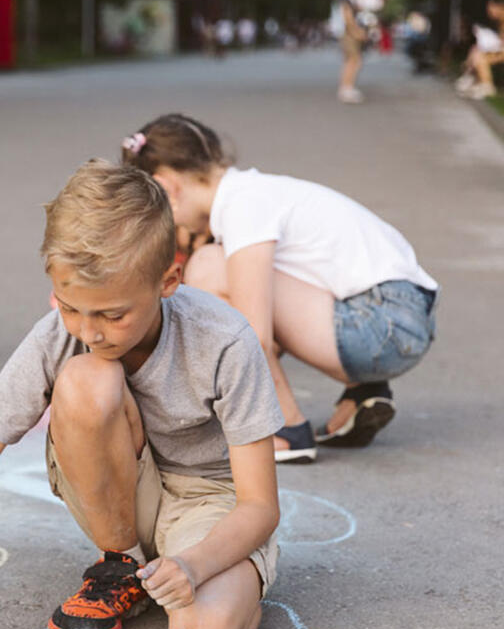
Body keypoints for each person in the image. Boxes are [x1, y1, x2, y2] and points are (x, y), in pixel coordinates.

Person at [0, 160, 283, 629]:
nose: (89, 331)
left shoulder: (223, 339)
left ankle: (239, 584)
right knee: (84, 378)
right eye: (70, 307)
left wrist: (194, 564)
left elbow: (259, 505)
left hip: (213, 506)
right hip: (131, 500)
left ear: (169, 280)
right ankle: (122, 563)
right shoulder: (58, 336)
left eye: (113, 315)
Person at [122, 114, 438, 464]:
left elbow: (253, 335)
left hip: (381, 325)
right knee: (239, 280)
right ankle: (363, 391)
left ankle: (286, 429)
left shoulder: (242, 207)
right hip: (402, 315)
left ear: (167, 188)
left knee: (208, 267)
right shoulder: (258, 191)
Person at [455, 0, 504, 100]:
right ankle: (478, 81)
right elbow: (503, 36)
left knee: (480, 55)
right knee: (477, 52)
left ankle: (485, 85)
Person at [338, 0, 369, 103]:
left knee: (352, 61)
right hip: (350, 34)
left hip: (350, 33)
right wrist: (357, 33)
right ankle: (346, 89)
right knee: (353, 61)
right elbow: (348, 18)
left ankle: (347, 88)